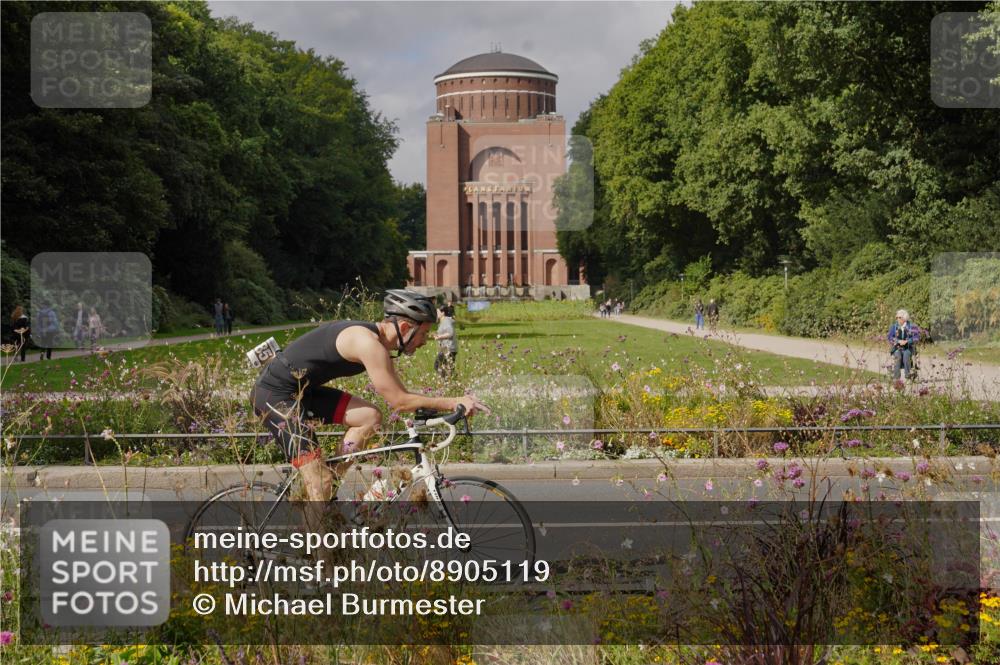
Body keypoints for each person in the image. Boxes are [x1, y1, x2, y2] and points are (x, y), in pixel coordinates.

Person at [250, 290, 488, 542]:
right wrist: (452, 401)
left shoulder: (375, 341)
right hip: (274, 396)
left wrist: (431, 406)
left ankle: (329, 481)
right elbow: (400, 401)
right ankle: (323, 573)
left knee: (370, 417)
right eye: (423, 333)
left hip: (303, 391)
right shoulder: (368, 344)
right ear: (406, 327)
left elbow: (402, 397)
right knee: (318, 482)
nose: (426, 340)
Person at [888, 309, 920, 381]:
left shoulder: (912, 326)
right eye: (897, 317)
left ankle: (908, 376)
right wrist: (898, 341)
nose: (897, 319)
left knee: (906, 355)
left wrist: (907, 341)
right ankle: (896, 379)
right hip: (897, 348)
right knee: (897, 356)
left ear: (904, 318)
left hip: (908, 347)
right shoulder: (894, 326)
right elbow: (890, 337)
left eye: (899, 317)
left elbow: (916, 337)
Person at [433, 303, 458, 377]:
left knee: (438, 366)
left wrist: (439, 337)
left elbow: (450, 333)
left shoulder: (446, 321)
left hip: (449, 349)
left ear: (442, 312)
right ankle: (448, 382)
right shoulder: (443, 321)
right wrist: (437, 335)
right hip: (445, 349)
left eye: (437, 312)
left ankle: (448, 381)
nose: (436, 314)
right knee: (446, 367)